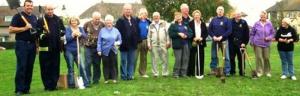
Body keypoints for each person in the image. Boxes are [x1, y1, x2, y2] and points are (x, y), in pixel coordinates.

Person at [8, 0, 37, 95]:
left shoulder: (34, 17)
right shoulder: (17, 16)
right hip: (22, 44)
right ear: (24, 6)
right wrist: (24, 28)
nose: (30, 7)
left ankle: (26, 88)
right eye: (28, 5)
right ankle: (19, 89)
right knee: (22, 66)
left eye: (31, 6)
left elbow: (35, 32)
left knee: (29, 67)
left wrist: (36, 46)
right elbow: (11, 29)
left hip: (32, 45)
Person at [36, 4, 65, 91]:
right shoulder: (41, 20)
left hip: (55, 47)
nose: (50, 11)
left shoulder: (58, 19)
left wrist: (61, 32)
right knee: (45, 67)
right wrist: (43, 35)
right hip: (45, 48)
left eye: (51, 9)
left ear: (53, 10)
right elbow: (37, 33)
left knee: (55, 66)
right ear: (45, 10)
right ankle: (47, 86)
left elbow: (63, 30)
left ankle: (54, 84)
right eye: (48, 9)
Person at [115, 4, 139, 80]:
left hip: (133, 45)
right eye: (126, 9)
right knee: (123, 61)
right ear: (123, 10)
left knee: (131, 61)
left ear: (131, 10)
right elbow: (117, 33)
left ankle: (130, 75)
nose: (128, 11)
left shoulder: (134, 20)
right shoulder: (120, 20)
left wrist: (137, 40)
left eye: (129, 9)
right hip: (123, 45)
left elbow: (137, 31)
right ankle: (124, 76)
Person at [64, 17, 89, 88]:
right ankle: (71, 84)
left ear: (77, 21)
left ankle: (85, 83)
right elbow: (67, 39)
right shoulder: (67, 29)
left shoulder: (80, 28)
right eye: (72, 21)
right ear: (70, 22)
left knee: (82, 67)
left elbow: (85, 36)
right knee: (71, 68)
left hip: (78, 50)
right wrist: (73, 35)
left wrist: (80, 34)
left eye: (75, 21)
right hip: (69, 51)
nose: (74, 22)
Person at [97, 14, 122, 83]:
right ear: (105, 22)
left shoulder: (116, 30)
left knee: (113, 64)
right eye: (107, 21)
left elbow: (120, 40)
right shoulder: (102, 30)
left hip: (113, 50)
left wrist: (117, 43)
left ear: (112, 22)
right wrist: (99, 50)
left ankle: (114, 78)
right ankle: (106, 79)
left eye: (110, 21)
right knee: (105, 64)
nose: (108, 23)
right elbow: (99, 41)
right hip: (104, 50)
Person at [250, 11, 275, 78]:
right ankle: (259, 72)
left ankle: (267, 72)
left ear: (266, 16)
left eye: (263, 16)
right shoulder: (256, 24)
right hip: (257, 43)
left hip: (266, 44)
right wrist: (252, 41)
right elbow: (252, 33)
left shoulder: (269, 24)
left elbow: (273, 33)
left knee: (266, 58)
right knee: (259, 58)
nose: (262, 18)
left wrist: (269, 38)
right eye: (261, 16)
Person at [208, 6, 232, 76]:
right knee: (214, 55)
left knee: (226, 56)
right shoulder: (213, 20)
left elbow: (229, 30)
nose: (220, 11)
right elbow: (209, 30)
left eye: (221, 10)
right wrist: (213, 36)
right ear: (216, 11)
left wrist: (222, 37)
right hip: (215, 41)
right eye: (219, 9)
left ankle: (227, 71)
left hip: (224, 41)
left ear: (223, 12)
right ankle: (214, 70)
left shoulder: (227, 20)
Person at [169, 12, 193, 78]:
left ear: (181, 17)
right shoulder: (172, 25)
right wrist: (178, 34)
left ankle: (183, 73)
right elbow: (171, 34)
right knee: (178, 59)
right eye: (177, 17)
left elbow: (191, 33)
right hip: (177, 45)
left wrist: (186, 35)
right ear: (175, 18)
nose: (179, 18)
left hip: (185, 44)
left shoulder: (185, 24)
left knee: (185, 59)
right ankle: (176, 73)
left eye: (180, 17)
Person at [83, 12, 105, 84]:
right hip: (88, 47)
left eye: (99, 19)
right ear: (92, 18)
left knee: (97, 63)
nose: (97, 20)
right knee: (88, 63)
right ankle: (88, 79)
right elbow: (82, 33)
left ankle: (96, 79)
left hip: (98, 47)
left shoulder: (102, 24)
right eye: (96, 19)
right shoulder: (87, 24)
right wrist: (84, 41)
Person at [147, 12, 170, 77]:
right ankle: (155, 73)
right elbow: (148, 36)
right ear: (153, 17)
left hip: (163, 44)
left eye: (157, 16)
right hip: (154, 45)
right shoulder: (151, 25)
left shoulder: (164, 24)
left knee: (164, 59)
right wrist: (149, 44)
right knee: (154, 60)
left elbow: (167, 34)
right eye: (154, 16)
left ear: (159, 17)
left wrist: (168, 42)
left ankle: (165, 73)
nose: (156, 17)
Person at [187, 10, 208, 79]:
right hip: (193, 42)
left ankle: (200, 72)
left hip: (201, 42)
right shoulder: (190, 23)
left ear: (200, 16)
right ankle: (191, 72)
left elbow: (206, 33)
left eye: (198, 15)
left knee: (201, 57)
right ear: (193, 16)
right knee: (192, 57)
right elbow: (189, 32)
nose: (197, 16)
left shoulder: (203, 23)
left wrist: (202, 38)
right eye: (195, 15)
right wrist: (193, 38)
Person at [228, 11, 249, 76]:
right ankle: (232, 71)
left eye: (239, 15)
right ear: (234, 15)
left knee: (241, 58)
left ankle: (242, 71)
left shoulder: (244, 22)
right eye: (237, 15)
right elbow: (228, 31)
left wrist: (244, 43)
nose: (238, 16)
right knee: (231, 58)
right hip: (231, 43)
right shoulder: (230, 21)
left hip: (241, 44)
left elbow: (247, 34)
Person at [136, 8, 151, 78]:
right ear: (139, 14)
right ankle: (131, 73)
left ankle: (142, 73)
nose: (143, 15)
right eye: (142, 13)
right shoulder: (136, 21)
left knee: (144, 58)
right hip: (137, 41)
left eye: (145, 13)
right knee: (134, 57)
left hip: (145, 41)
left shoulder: (148, 22)